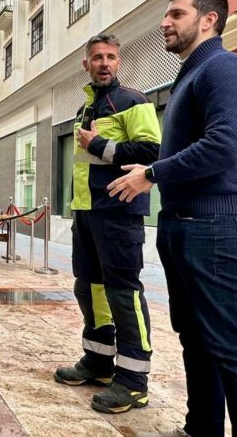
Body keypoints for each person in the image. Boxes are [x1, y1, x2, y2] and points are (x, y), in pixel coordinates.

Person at [107, 0, 237, 436]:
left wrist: (152, 174)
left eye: (176, 14)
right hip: (185, 224)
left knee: (228, 344)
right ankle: (201, 427)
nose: (165, 22)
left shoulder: (225, 68)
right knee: (196, 340)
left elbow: (226, 145)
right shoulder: (191, 75)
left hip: (216, 224)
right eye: (166, 15)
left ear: (208, 20)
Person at [52, 34, 161, 415]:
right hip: (86, 213)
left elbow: (152, 151)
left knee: (122, 293)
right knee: (89, 288)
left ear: (119, 62)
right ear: (86, 64)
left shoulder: (134, 101)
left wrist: (100, 146)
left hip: (118, 214)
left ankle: (133, 382)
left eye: (111, 57)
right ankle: (98, 361)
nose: (104, 63)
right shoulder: (88, 106)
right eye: (97, 57)